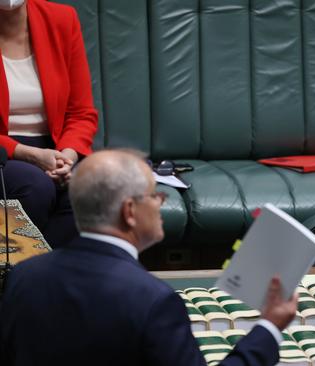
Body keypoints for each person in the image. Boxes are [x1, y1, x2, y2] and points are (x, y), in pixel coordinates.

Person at [0, 149, 298, 366]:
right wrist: (269, 327)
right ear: (129, 211)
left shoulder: (23, 276)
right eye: (155, 194)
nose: (161, 202)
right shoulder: (153, 300)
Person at [0, 0, 98, 247]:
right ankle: (20, 278)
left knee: (92, 189)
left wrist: (67, 156)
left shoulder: (61, 19)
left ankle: (47, 277)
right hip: (5, 152)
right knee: (35, 186)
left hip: (55, 147)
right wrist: (28, 154)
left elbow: (81, 112)